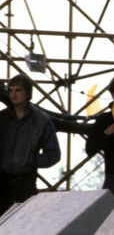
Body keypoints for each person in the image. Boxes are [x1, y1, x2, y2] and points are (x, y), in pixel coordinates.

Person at [0, 74, 61, 215]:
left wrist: (30, 160)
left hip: (25, 181)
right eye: (11, 90)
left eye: (18, 90)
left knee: (24, 222)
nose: (13, 94)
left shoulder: (41, 121)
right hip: (2, 181)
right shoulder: (2, 119)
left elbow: (54, 154)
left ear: (27, 93)